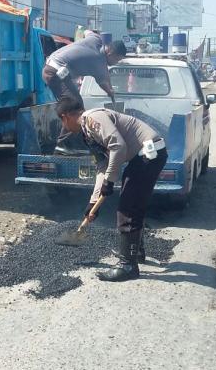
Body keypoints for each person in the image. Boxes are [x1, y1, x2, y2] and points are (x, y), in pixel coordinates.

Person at [55, 97, 167, 282]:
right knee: (133, 204)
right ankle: (135, 252)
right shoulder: (88, 133)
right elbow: (102, 165)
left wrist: (110, 180)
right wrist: (94, 201)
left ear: (65, 117)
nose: (64, 127)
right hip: (144, 156)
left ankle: (127, 265)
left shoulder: (92, 119)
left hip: (148, 154)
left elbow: (118, 146)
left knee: (128, 208)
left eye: (62, 122)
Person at [42, 31, 127, 154]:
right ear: (111, 53)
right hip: (55, 74)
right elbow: (103, 82)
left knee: (77, 103)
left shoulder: (96, 39)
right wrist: (110, 92)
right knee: (75, 106)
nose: (117, 62)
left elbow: (86, 31)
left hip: (53, 67)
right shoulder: (98, 61)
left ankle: (72, 142)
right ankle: (63, 145)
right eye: (117, 59)